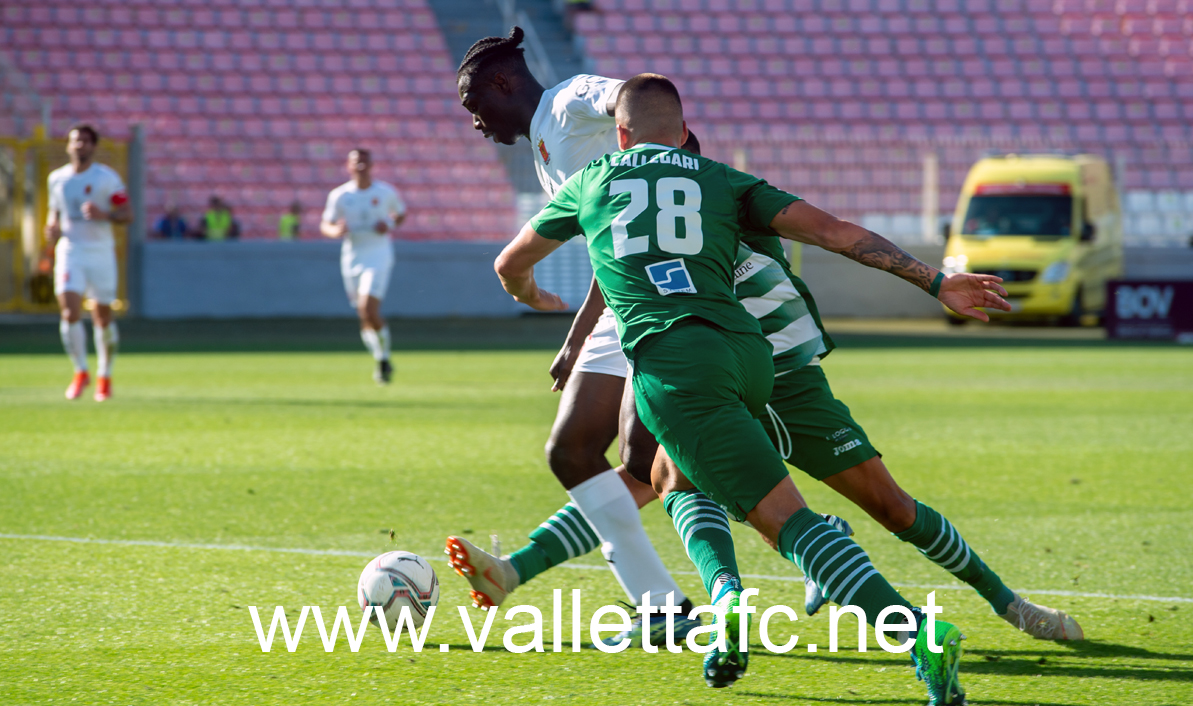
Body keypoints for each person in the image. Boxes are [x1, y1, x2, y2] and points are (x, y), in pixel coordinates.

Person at [495, 74, 1011, 700]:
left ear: (620, 134)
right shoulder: (722, 179)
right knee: (667, 475)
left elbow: (511, 262)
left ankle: (917, 635)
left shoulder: (590, 181)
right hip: (747, 354)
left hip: (674, 362)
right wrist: (934, 282)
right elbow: (835, 231)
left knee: (787, 522)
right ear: (684, 133)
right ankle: (727, 602)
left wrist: (528, 294)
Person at [448, 27, 702, 647]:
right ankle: (662, 608)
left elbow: (633, 96)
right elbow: (610, 251)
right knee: (575, 452)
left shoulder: (566, 101)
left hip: (673, 294)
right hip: (620, 303)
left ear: (503, 83)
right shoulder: (544, 147)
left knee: (656, 465)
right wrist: (575, 335)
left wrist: (673, 156)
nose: (477, 126)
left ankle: (815, 537)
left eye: (475, 108)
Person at [45, 123, 132, 402]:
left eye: (85, 141)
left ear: (94, 146)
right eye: (75, 141)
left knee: (102, 317)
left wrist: (103, 214)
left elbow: (127, 214)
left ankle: (105, 375)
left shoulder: (106, 179)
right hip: (71, 250)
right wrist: (51, 228)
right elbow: (54, 212)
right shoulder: (57, 179)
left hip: (100, 252)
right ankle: (81, 371)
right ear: (68, 145)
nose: (79, 145)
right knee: (69, 312)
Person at [320, 148, 406, 384]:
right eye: (356, 162)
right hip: (352, 257)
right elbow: (325, 224)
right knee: (363, 315)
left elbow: (400, 214)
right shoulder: (339, 195)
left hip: (378, 255)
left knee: (369, 309)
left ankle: (384, 357)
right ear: (348, 166)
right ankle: (382, 359)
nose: (360, 166)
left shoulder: (385, 192)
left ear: (371, 164)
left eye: (364, 161)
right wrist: (336, 230)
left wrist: (388, 224)